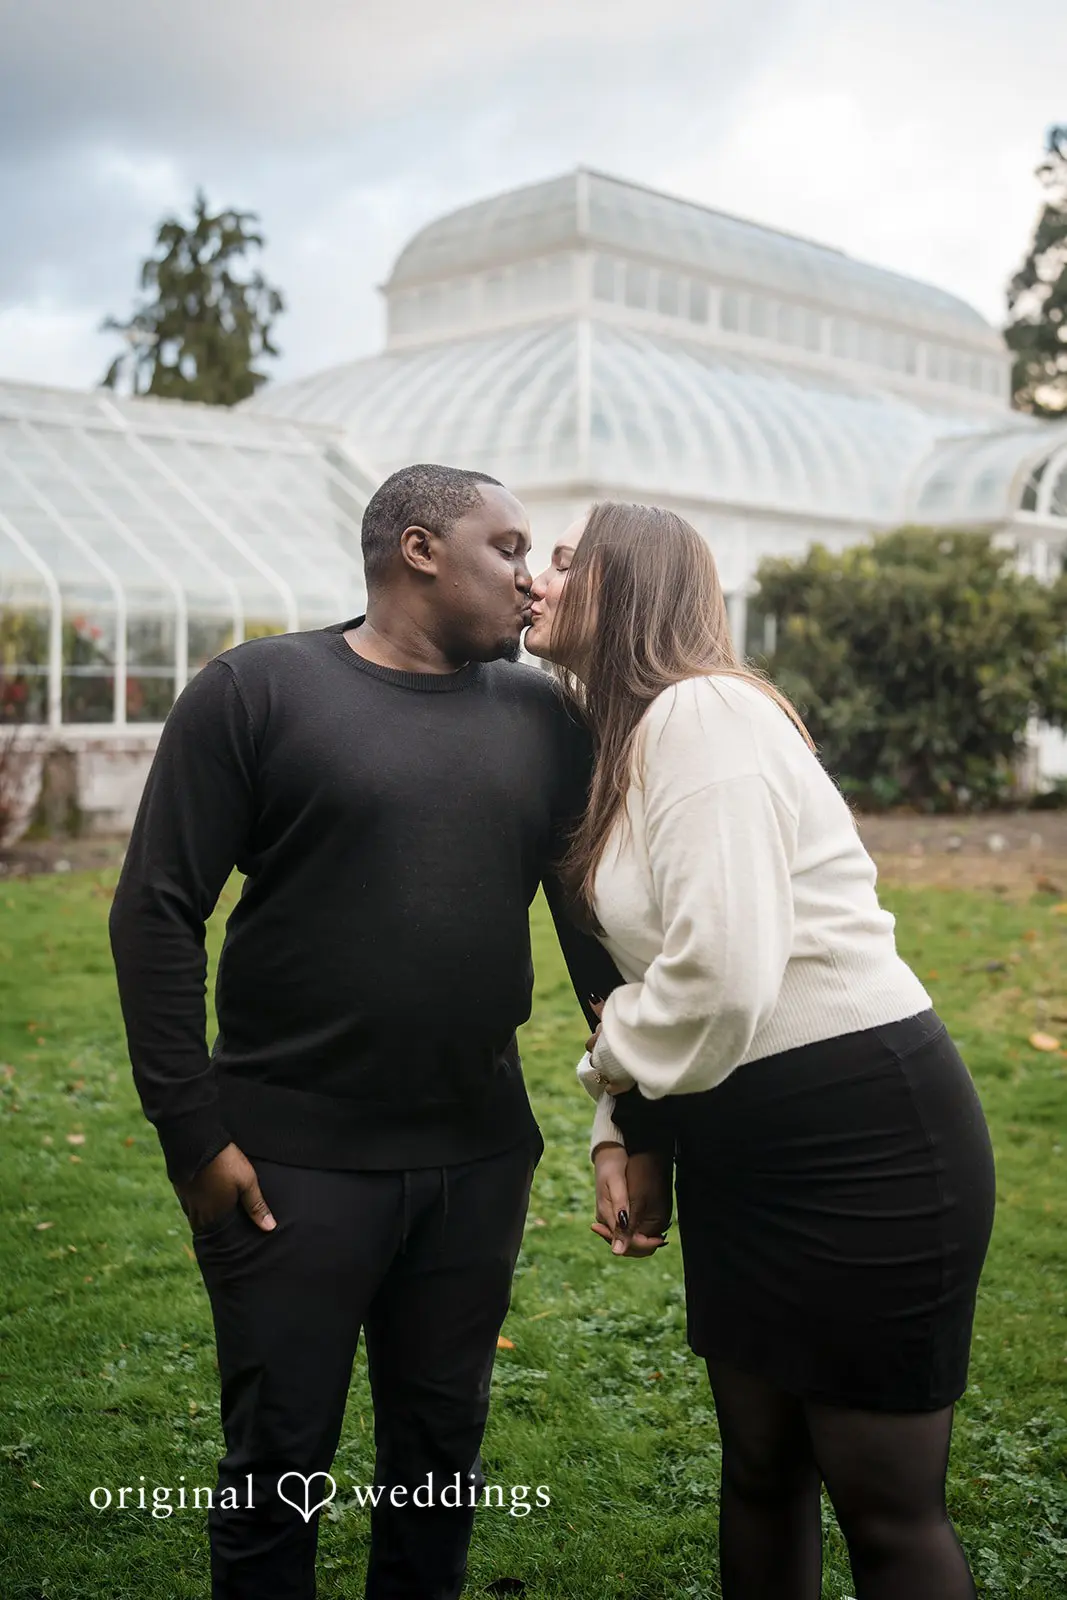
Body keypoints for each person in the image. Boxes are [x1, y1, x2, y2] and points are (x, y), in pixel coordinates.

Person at [108, 464, 618, 1600]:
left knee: (439, 1464)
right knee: (277, 1467)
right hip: (287, 1165)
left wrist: (630, 1115)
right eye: (507, 547)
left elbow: (586, 926)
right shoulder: (255, 691)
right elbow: (155, 910)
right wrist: (192, 1134)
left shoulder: (542, 716)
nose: (530, 578)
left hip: (477, 1158)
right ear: (419, 550)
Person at [523, 501, 996, 1600]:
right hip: (740, 1144)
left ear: (627, 584)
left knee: (884, 1510)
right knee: (760, 1472)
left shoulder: (702, 714)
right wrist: (621, 1129)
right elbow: (654, 970)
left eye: (564, 561)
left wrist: (603, 1074)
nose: (537, 580)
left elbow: (722, 975)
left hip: (862, 1142)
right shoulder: (627, 743)